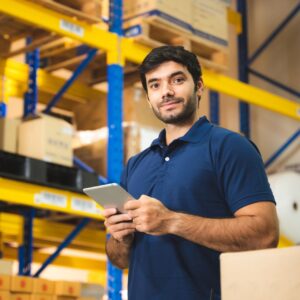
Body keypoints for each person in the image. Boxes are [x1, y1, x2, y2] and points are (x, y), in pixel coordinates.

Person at [103, 45, 279, 300]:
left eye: (177, 80)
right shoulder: (136, 164)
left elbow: (265, 234)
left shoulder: (229, 147)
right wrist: (121, 238)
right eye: (155, 85)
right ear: (149, 96)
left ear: (199, 86)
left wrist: (171, 221)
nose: (166, 92)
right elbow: (120, 260)